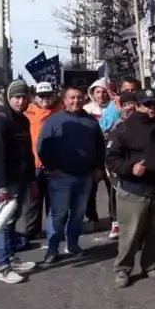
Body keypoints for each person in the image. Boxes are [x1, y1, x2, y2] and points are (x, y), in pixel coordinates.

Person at [107, 89, 155, 287]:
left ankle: (151, 265)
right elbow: (112, 160)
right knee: (130, 235)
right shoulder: (123, 129)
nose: (152, 109)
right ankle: (122, 270)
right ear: (138, 106)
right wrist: (131, 169)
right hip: (134, 190)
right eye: (147, 105)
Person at [38, 85, 106, 263]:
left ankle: (73, 245)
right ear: (65, 100)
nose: (76, 101)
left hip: (85, 176)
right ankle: (52, 249)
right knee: (58, 214)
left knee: (78, 214)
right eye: (72, 98)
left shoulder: (91, 121)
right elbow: (43, 147)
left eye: (79, 97)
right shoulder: (54, 120)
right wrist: (52, 168)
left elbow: (100, 147)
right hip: (61, 177)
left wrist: (98, 168)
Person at [0, 80, 37, 284]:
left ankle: (11, 258)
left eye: (24, 97)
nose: (21, 101)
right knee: (3, 224)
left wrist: (32, 179)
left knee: (12, 222)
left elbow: (27, 153)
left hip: (22, 178)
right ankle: (3, 267)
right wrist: (1, 187)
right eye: (16, 97)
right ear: (8, 98)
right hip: (6, 182)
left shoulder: (22, 120)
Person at [17, 82, 61, 243]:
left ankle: (54, 231)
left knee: (55, 202)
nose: (45, 99)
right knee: (32, 202)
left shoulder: (62, 110)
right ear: (34, 97)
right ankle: (31, 231)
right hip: (33, 165)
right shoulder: (26, 112)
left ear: (55, 95)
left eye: (48, 95)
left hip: (55, 166)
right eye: (41, 96)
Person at [84, 78, 117, 236]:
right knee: (90, 189)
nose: (101, 95)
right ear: (92, 93)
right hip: (92, 154)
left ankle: (114, 219)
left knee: (113, 188)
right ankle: (92, 218)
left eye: (104, 91)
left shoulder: (115, 108)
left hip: (112, 154)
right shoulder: (86, 109)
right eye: (98, 91)